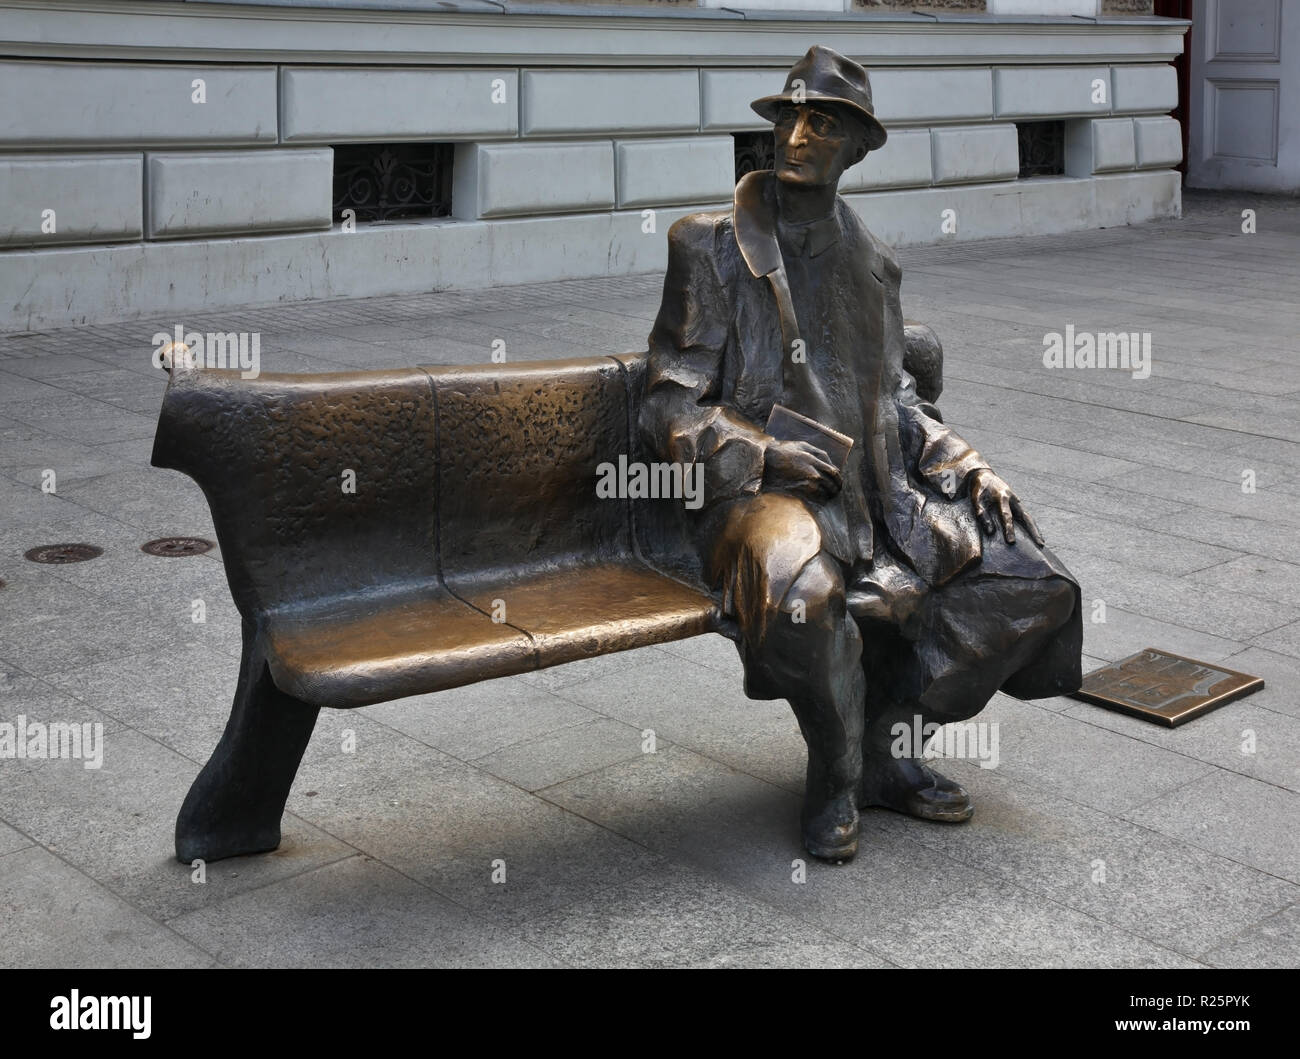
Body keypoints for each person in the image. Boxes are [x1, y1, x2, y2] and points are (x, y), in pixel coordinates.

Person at [639, 46, 1082, 862]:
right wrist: (767, 455)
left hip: (875, 492)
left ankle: (886, 745)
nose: (799, 136)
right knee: (807, 596)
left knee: (1035, 585)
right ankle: (837, 773)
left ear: (857, 147)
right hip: (754, 498)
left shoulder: (873, 263)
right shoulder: (707, 246)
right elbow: (670, 404)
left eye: (824, 123)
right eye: (791, 118)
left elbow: (899, 403)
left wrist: (967, 465)